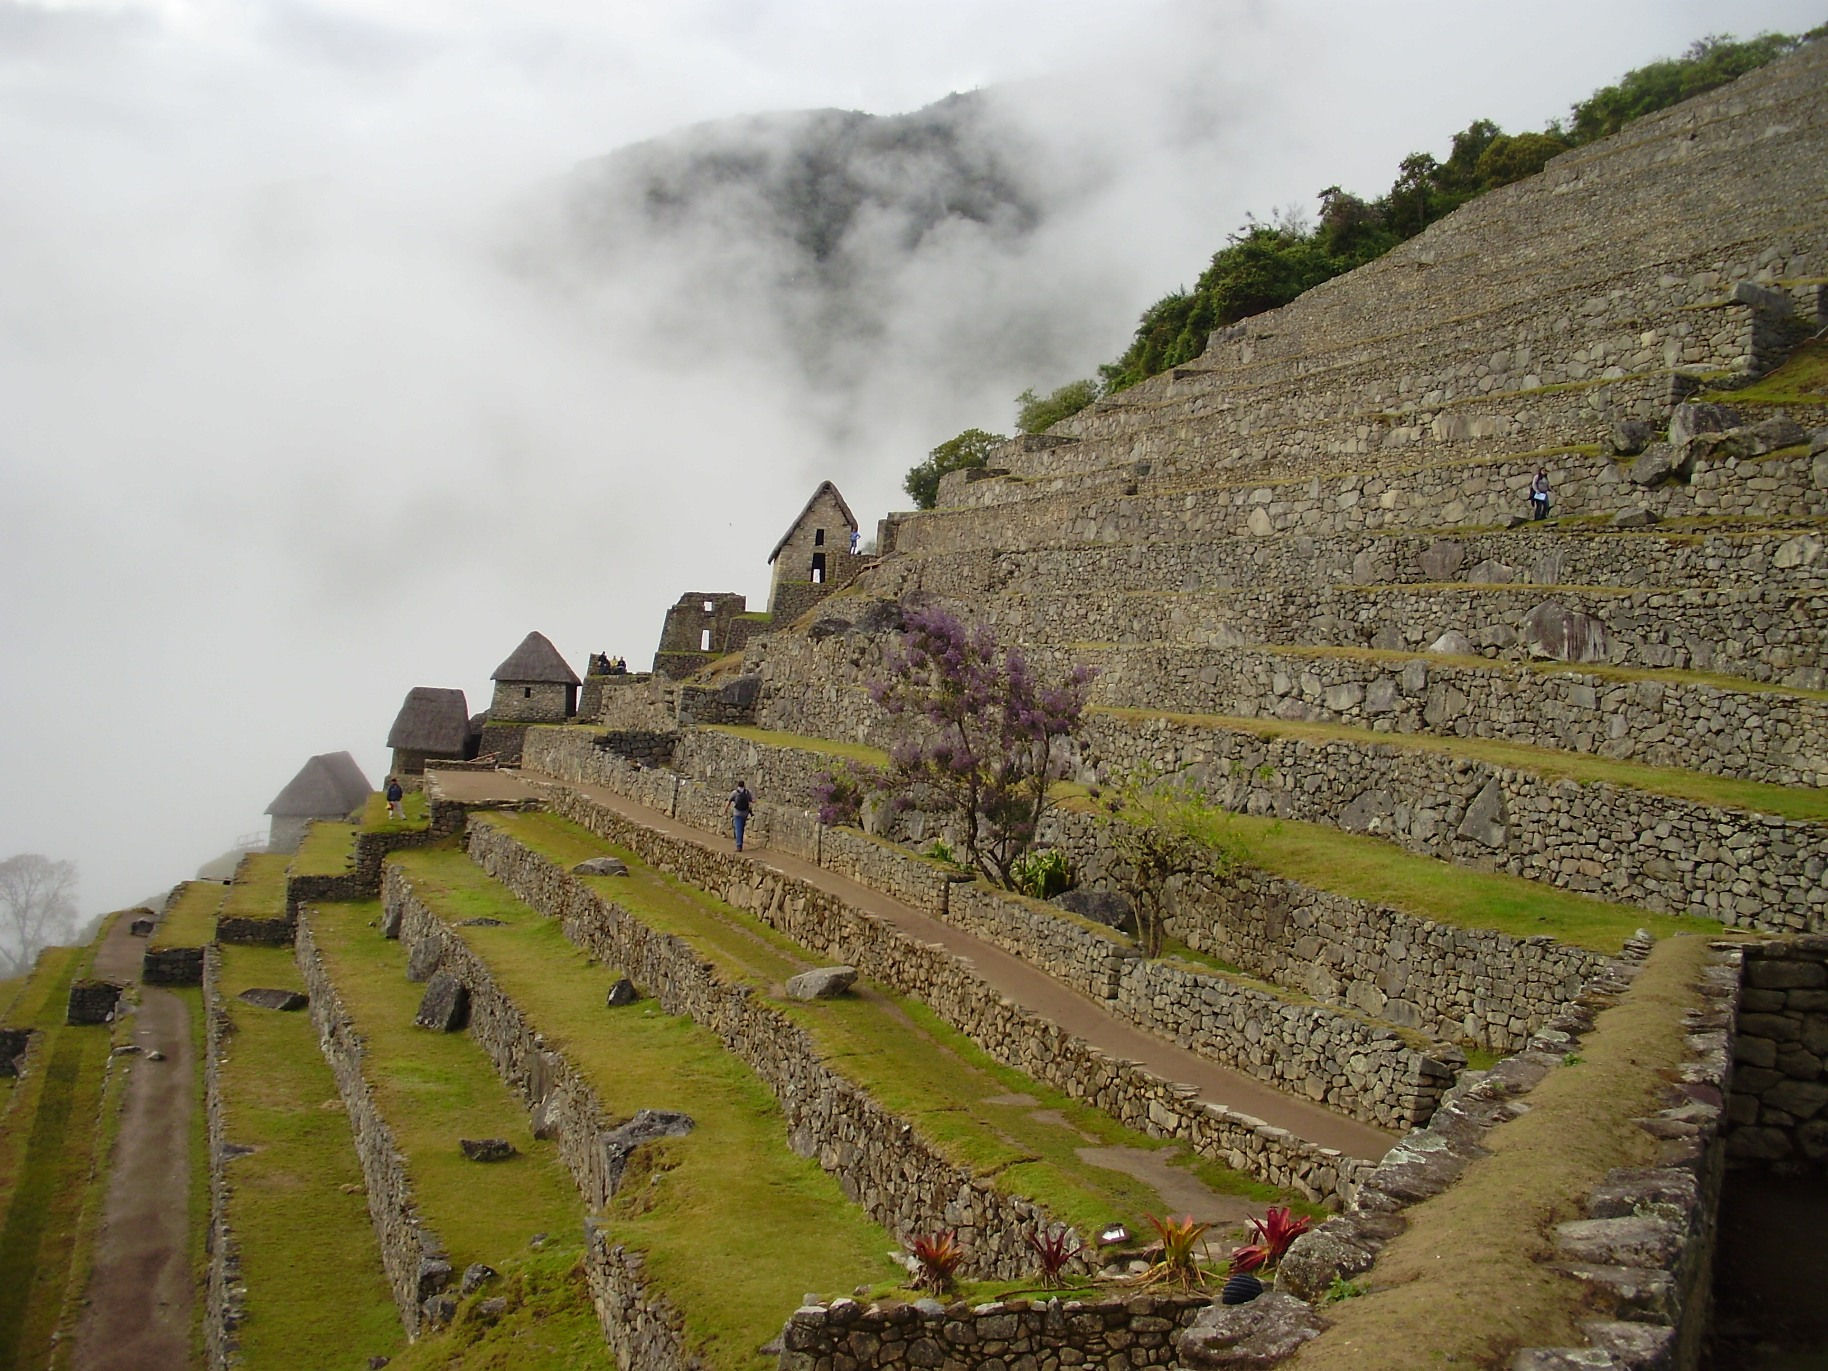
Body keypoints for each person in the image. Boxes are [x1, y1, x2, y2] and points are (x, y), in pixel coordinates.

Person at [728, 779, 754, 852]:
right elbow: (752, 800)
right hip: (745, 813)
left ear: (738, 785)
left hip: (737, 813)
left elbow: (729, 801)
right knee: (741, 829)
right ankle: (740, 843)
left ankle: (739, 846)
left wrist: (725, 810)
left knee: (738, 829)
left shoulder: (735, 792)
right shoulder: (747, 792)